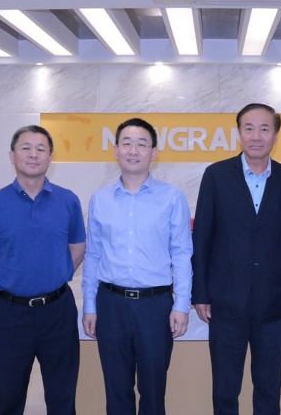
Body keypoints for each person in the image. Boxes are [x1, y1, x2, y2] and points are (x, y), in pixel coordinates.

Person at [191, 103, 281, 415]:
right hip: (225, 302)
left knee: (269, 389)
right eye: (249, 128)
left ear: (275, 135)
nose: (257, 136)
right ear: (239, 133)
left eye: (264, 129)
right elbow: (202, 238)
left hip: (273, 304)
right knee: (225, 390)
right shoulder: (216, 175)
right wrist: (200, 293)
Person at [81, 118, 193, 414]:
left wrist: (181, 305)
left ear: (154, 152)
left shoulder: (172, 197)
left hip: (155, 306)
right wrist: (90, 305)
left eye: (142, 144)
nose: (134, 150)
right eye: (127, 143)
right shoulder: (101, 199)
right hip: (111, 304)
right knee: (116, 391)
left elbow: (182, 253)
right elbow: (93, 255)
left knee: (153, 392)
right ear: (116, 150)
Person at [0, 125, 86, 415]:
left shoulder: (68, 200)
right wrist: (14, 277)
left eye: (41, 149)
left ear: (51, 157)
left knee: (62, 399)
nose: (33, 154)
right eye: (26, 148)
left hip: (58, 311)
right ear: (12, 155)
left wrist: (55, 274)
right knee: (8, 399)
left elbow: (77, 248)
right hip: (9, 313)